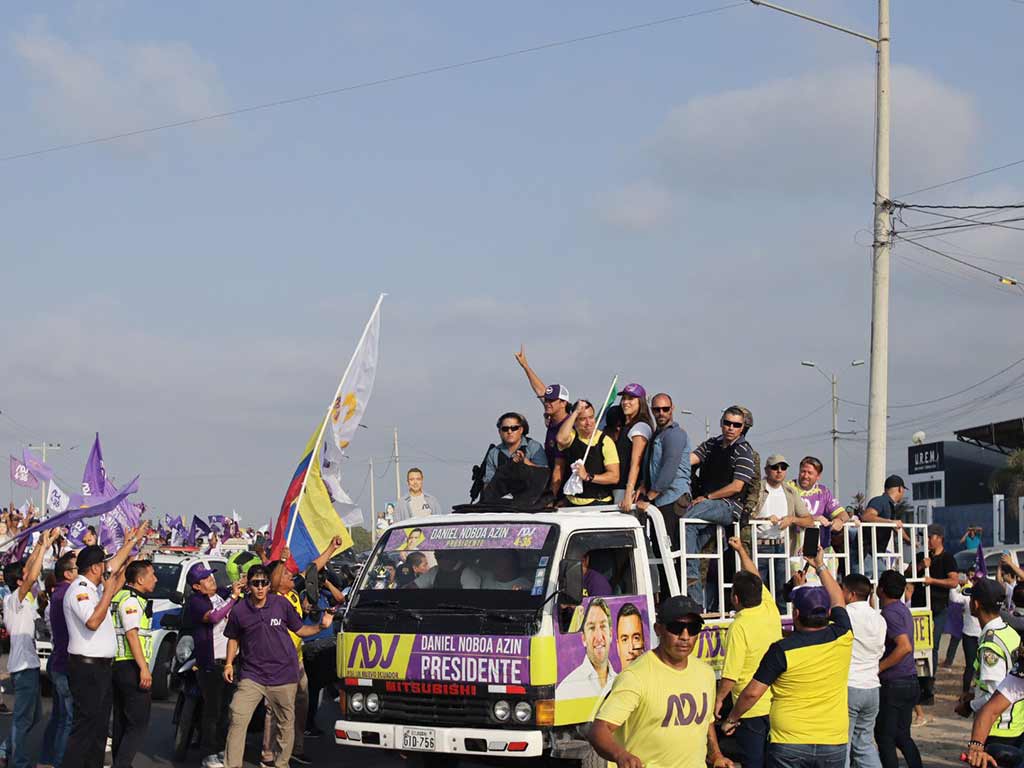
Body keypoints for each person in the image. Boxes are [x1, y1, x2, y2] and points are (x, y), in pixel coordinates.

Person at [723, 548, 852, 768]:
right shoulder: (843, 635)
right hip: (833, 742)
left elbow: (753, 693)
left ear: (796, 614)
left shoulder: (781, 650)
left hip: (789, 742)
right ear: (828, 613)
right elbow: (838, 598)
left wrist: (732, 718)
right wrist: (820, 565)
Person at [589, 594, 732, 768]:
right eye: (676, 627)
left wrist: (716, 755)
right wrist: (620, 755)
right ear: (658, 629)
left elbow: (706, 721)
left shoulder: (706, 674)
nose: (685, 636)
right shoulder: (636, 677)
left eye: (693, 628)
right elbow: (599, 730)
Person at [223, 565, 332, 768]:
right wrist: (229, 664)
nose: (260, 587)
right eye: (256, 583)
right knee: (237, 717)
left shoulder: (281, 604)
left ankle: (281, 764)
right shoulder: (239, 611)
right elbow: (233, 638)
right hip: (252, 676)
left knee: (285, 724)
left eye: (264, 583)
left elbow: (300, 629)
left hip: (283, 674)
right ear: (249, 586)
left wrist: (320, 626)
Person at [62, 539, 136, 768]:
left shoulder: (94, 589)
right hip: (87, 668)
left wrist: (132, 545)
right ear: (95, 568)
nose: (106, 568)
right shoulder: (80, 590)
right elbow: (93, 621)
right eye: (102, 564)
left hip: (101, 668)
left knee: (100, 729)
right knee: (85, 728)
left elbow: (117, 577)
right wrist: (108, 592)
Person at [715, 537, 782, 768]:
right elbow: (755, 576)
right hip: (775, 701)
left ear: (735, 598)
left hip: (749, 708)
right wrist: (741, 550)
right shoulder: (769, 608)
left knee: (753, 762)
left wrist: (719, 700)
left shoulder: (739, 626)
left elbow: (730, 675)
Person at [684, 406, 756, 610]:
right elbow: (689, 460)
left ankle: (690, 577)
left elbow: (738, 486)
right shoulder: (712, 444)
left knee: (687, 521)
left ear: (743, 428)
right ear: (721, 423)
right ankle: (695, 602)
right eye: (727, 423)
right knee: (691, 537)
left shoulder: (744, 451)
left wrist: (707, 497)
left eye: (736, 425)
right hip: (708, 506)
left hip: (729, 507)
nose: (731, 428)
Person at [1, 527, 58, 768]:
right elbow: (32, 576)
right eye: (24, 573)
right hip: (23, 667)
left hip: (30, 665)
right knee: (23, 720)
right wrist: (44, 548)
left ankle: (5, 749)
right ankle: (19, 762)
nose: (30, 573)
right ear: (19, 580)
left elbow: (30, 570)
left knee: (33, 717)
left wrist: (41, 544)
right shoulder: (14, 599)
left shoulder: (24, 598)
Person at [186, 563, 244, 768]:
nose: (212, 581)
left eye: (211, 577)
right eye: (206, 579)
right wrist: (233, 598)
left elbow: (232, 590)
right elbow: (214, 617)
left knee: (228, 710)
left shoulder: (220, 593)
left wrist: (240, 585)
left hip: (231, 663)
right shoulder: (195, 602)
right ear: (196, 587)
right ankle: (208, 753)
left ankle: (221, 748)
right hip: (211, 664)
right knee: (212, 710)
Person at [955, 578, 1024, 749]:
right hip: (1015, 724)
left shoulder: (990, 644)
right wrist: (974, 694)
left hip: (997, 728)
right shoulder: (1009, 631)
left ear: (976, 604)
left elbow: (994, 693)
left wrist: (969, 706)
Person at [110, 560, 159, 768]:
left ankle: (120, 763)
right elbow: (132, 635)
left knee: (122, 721)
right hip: (130, 665)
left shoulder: (121, 595)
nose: (156, 579)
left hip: (119, 666)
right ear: (139, 580)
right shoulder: (130, 600)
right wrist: (144, 669)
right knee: (138, 723)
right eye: (152, 575)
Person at [876, 570, 923, 768]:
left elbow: (904, 646)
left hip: (895, 682)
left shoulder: (890, 613)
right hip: (909, 679)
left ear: (881, 590)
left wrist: (878, 667)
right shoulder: (902, 609)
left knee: (885, 737)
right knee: (902, 736)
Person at [754, 454, 814, 608]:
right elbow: (744, 516)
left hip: (782, 547)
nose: (779, 471)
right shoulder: (756, 489)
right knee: (757, 592)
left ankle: (782, 626)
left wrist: (792, 519)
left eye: (783, 467)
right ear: (767, 470)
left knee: (782, 593)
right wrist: (764, 519)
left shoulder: (790, 491)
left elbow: (809, 520)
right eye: (775, 467)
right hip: (758, 546)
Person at [635, 393, 692, 550]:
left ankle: (679, 575)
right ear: (652, 411)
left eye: (665, 409)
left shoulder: (675, 434)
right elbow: (651, 466)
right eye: (657, 409)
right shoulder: (656, 435)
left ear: (672, 409)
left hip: (673, 499)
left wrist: (649, 497)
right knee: (659, 548)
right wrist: (643, 485)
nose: (661, 413)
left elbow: (669, 467)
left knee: (670, 549)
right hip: (659, 500)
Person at [842, 573, 886, 768]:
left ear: (850, 594)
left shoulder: (846, 615)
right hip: (872, 687)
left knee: (842, 744)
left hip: (851, 685)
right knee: (864, 743)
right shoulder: (878, 618)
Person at [514, 345, 569, 495]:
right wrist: (525, 365)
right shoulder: (552, 418)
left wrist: (553, 495)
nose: (547, 403)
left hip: (565, 484)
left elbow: (561, 466)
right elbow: (540, 390)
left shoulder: (570, 424)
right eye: (546, 400)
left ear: (563, 403)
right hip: (551, 478)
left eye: (552, 401)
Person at [40, 550, 77, 768]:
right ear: (68, 574)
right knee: (67, 719)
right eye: (76, 568)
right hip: (64, 662)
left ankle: (46, 760)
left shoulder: (61, 593)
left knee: (59, 717)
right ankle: (57, 762)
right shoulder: (67, 595)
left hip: (58, 660)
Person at [913, 523, 959, 698]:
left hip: (938, 608)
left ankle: (929, 683)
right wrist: (920, 566)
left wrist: (932, 581)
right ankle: (919, 681)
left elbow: (953, 582)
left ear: (939, 538)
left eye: (930, 537)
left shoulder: (948, 558)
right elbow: (905, 574)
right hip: (919, 608)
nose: (927, 540)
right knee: (918, 646)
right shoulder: (920, 556)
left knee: (932, 646)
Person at [556, 400, 620, 506]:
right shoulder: (572, 436)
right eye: (582, 419)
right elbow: (561, 439)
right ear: (575, 422)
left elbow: (614, 477)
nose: (588, 423)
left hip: (597, 502)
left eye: (591, 417)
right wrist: (575, 412)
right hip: (572, 502)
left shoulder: (605, 441)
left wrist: (587, 477)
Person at [479, 412, 550, 504]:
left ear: (521, 430)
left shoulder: (534, 447)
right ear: (499, 432)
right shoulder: (494, 453)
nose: (509, 432)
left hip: (531, 501)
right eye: (505, 429)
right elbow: (488, 484)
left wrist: (526, 463)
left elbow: (545, 473)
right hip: (501, 504)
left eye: (514, 428)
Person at [555, 598, 616, 699]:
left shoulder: (621, 681)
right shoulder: (567, 689)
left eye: (603, 626)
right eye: (591, 628)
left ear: (611, 634)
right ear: (583, 638)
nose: (599, 637)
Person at [859, 475, 910, 575]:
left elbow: (895, 525)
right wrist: (891, 522)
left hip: (874, 554)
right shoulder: (880, 501)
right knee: (878, 580)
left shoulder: (889, 505)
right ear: (900, 489)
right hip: (867, 552)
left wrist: (908, 539)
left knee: (881, 578)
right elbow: (866, 516)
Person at [614, 384, 654, 510]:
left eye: (630, 399)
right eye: (624, 398)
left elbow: (635, 463)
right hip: (618, 487)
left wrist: (628, 492)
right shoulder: (626, 426)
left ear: (640, 402)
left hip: (627, 491)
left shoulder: (641, 427)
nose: (625, 402)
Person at [950, 574, 985, 693]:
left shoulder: (987, 596)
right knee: (970, 665)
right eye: (974, 580)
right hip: (969, 634)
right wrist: (954, 583)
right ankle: (965, 692)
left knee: (983, 665)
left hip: (983, 634)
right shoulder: (968, 594)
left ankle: (979, 691)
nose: (976, 582)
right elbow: (954, 598)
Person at [414, 550, 482, 589]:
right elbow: (414, 586)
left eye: (442, 556)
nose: (439, 560)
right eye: (437, 556)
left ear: (452, 556)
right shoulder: (434, 571)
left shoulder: (468, 575)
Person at [614, 603, 645, 671]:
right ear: (618, 647)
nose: (631, 649)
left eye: (636, 638)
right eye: (625, 640)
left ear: (643, 642)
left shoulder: (656, 679)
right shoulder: (613, 681)